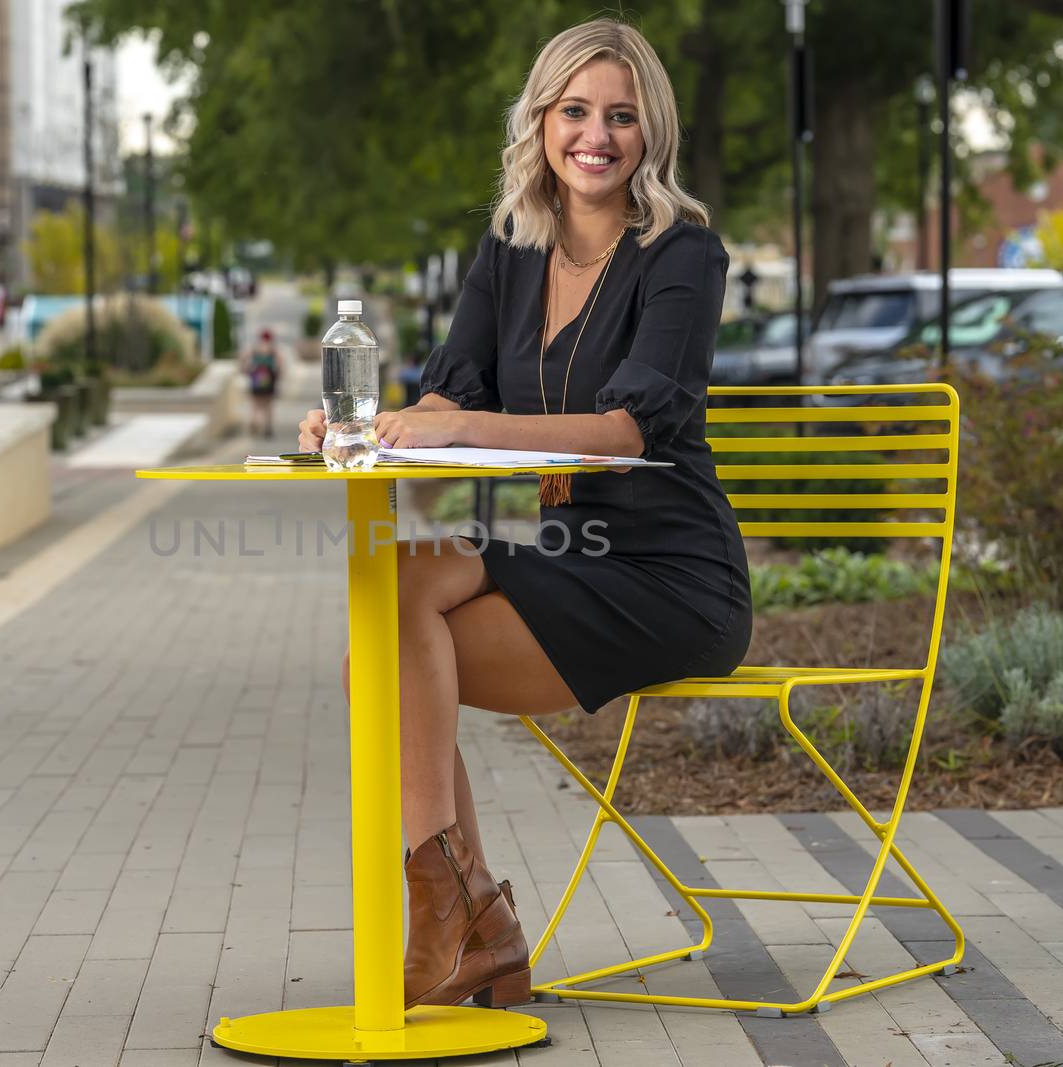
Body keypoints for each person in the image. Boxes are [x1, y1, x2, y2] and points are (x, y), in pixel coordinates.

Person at [297, 18, 752, 1009]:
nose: (597, 134)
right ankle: (469, 924)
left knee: (383, 639)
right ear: (541, 123)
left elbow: (635, 429)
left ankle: (459, 930)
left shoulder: (681, 254)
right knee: (381, 624)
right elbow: (445, 397)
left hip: (666, 572)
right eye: (575, 110)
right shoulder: (508, 250)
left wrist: (458, 423)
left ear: (650, 132)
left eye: (621, 115)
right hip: (556, 542)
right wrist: (358, 426)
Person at [243, 329, 281, 436]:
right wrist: (278, 375)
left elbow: (244, 359)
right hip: (269, 381)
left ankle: (253, 422)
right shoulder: (273, 350)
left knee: (255, 405)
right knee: (268, 405)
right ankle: (267, 427)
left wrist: (247, 370)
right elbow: (279, 365)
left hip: (256, 381)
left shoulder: (255, 349)